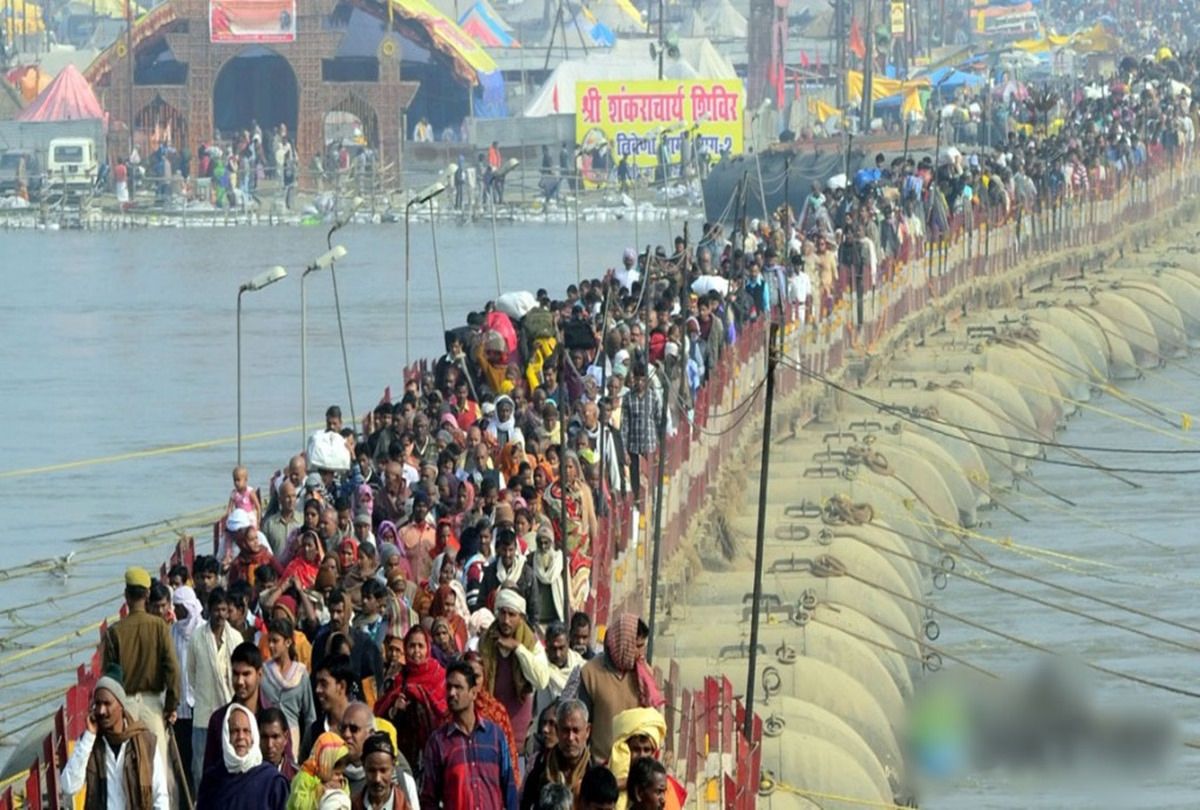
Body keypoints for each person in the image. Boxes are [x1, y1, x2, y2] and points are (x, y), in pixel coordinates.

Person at [100, 567, 180, 782]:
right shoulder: (160, 627)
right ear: (147, 595)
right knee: (159, 772)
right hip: (153, 707)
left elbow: (107, 679)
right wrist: (171, 706)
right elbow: (172, 670)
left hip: (124, 707)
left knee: (126, 773)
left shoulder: (114, 632)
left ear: (126, 595)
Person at [60, 671, 169, 810]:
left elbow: (160, 796)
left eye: (107, 704)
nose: (101, 711)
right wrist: (89, 737)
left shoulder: (146, 742)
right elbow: (69, 786)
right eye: (97, 704)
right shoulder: (89, 743)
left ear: (121, 705)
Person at [419, 660, 518, 810]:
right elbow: (429, 798)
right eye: (449, 687)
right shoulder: (438, 742)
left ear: (473, 693)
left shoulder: (495, 736)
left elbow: (509, 788)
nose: (452, 693)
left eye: (458, 687)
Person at [564, 614, 661, 758]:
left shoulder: (644, 676)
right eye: (637, 646)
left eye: (643, 646)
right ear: (624, 644)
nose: (641, 653)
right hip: (602, 766)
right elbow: (583, 724)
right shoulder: (590, 673)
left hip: (636, 768)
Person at [477, 590, 550, 752]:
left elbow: (542, 680)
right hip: (490, 727)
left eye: (512, 614)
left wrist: (518, 648)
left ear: (521, 617)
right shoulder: (486, 641)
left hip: (520, 735)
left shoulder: (531, 643)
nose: (506, 620)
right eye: (502, 613)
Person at [188, 587, 242, 785]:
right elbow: (191, 675)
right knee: (200, 770)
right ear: (209, 610)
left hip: (229, 713)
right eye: (217, 610)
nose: (221, 614)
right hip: (203, 715)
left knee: (229, 767)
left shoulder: (235, 638)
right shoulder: (197, 638)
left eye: (224, 610)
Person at [374, 627, 446, 770]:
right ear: (405, 649)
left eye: (421, 646)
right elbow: (380, 713)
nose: (416, 651)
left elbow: (445, 711)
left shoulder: (439, 675)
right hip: (404, 753)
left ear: (428, 648)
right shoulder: (398, 677)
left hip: (435, 750)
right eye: (412, 646)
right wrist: (394, 709)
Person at [196, 703, 289, 810]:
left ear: (253, 736)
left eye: (246, 731)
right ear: (226, 735)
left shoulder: (273, 781)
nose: (241, 737)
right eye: (235, 731)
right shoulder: (212, 779)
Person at [203, 642, 272, 776]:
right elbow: (209, 774)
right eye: (236, 674)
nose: (240, 681)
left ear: (259, 674)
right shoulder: (219, 720)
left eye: (246, 674)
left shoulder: (272, 718)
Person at [519, 700, 596, 810]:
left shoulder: (594, 773)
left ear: (588, 731)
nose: (570, 738)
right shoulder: (540, 768)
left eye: (576, 730)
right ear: (557, 730)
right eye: (565, 730)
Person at [262, 617, 317, 756]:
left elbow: (310, 716)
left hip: (293, 737)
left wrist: (305, 748)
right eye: (269, 641)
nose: (271, 645)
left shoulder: (301, 674)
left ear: (287, 642)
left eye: (275, 641)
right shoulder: (263, 672)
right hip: (267, 737)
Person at [171, 584, 205, 796]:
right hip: (179, 709)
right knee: (182, 760)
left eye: (181, 609)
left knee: (199, 762)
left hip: (199, 708)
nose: (178, 614)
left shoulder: (203, 631)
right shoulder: (171, 632)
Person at [303, 654, 356, 760]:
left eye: (324, 684)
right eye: (317, 684)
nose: (317, 690)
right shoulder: (314, 732)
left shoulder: (362, 728)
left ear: (341, 686)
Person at [480, 529, 538, 624]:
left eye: (510, 550)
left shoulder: (527, 573)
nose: (507, 554)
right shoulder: (490, 572)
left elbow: (534, 608)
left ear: (515, 549)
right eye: (504, 550)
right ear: (498, 549)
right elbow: (481, 603)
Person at [532, 623, 583, 724]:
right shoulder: (539, 667)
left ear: (568, 643)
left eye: (561, 648)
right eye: (553, 648)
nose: (557, 654)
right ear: (546, 645)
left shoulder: (581, 667)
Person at [352, 732, 418, 810]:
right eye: (372, 771)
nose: (377, 779)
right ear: (363, 765)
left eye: (383, 771)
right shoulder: (350, 806)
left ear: (393, 766)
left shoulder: (405, 806)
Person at [288, 732, 352, 810]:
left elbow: (345, 800)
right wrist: (320, 791)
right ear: (326, 764)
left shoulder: (340, 780)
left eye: (341, 773)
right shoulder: (304, 778)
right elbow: (299, 805)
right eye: (337, 774)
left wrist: (341, 787)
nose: (340, 777)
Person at [259, 707, 299, 780]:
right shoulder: (249, 775)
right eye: (264, 737)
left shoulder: (297, 776)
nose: (269, 745)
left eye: (275, 737)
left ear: (286, 737)